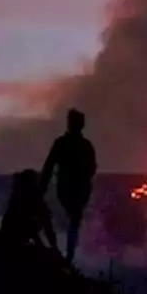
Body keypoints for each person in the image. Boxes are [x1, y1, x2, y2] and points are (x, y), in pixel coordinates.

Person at [41, 108, 97, 263]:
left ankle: (64, 254)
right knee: (72, 222)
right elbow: (92, 168)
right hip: (78, 191)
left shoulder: (62, 143)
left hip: (66, 189)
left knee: (64, 221)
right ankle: (68, 255)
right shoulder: (85, 146)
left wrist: (42, 188)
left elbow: (49, 166)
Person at [0, 168, 59, 251]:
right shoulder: (33, 195)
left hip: (10, 235)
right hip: (16, 235)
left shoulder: (16, 195)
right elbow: (45, 219)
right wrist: (53, 244)